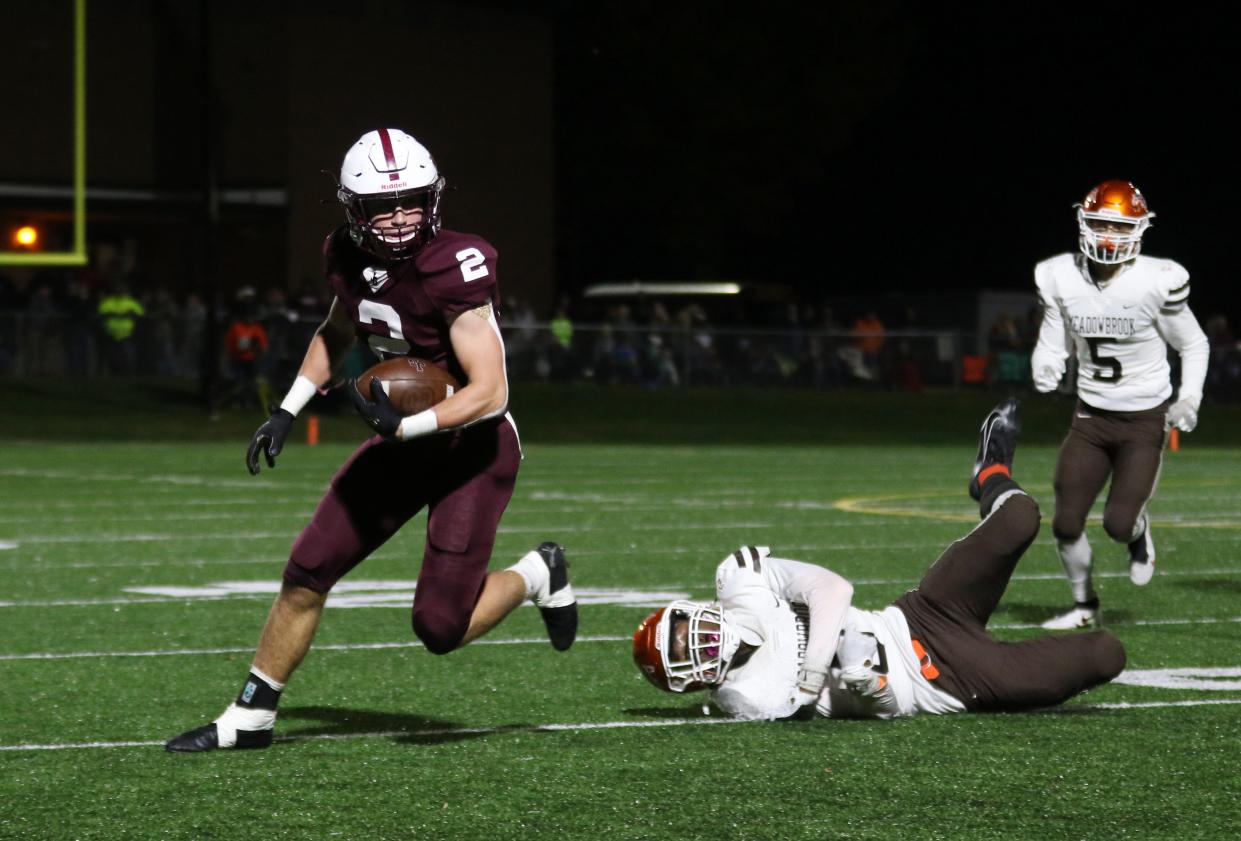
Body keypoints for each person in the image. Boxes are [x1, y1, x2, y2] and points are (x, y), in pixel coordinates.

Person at [166, 128, 578, 752]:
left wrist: (405, 425)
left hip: (474, 451)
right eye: (381, 206)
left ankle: (536, 574)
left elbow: (492, 391)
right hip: (406, 443)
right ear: (352, 209)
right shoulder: (345, 253)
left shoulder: (455, 264)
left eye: (410, 201)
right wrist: (287, 408)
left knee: (440, 627)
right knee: (307, 571)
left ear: (433, 198)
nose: (398, 219)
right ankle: (250, 718)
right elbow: (336, 331)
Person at [633, 400, 1126, 720]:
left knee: (1021, 516)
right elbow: (891, 705)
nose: (695, 638)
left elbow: (833, 590)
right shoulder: (750, 696)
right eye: (681, 650)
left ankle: (989, 472)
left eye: (682, 626)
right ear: (688, 679)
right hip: (952, 681)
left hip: (921, 615)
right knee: (1107, 653)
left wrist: (809, 674)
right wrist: (868, 684)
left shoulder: (740, 582)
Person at [1031, 181, 1209, 630]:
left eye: (1119, 225)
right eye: (1100, 223)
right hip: (1090, 417)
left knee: (1117, 524)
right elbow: (1055, 333)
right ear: (1082, 223)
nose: (1108, 234)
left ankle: (1139, 533)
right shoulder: (1059, 275)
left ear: (1139, 229)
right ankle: (1084, 605)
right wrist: (1048, 358)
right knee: (1066, 520)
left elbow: (1194, 343)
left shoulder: (1158, 279)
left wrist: (1190, 396)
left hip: (1143, 420)